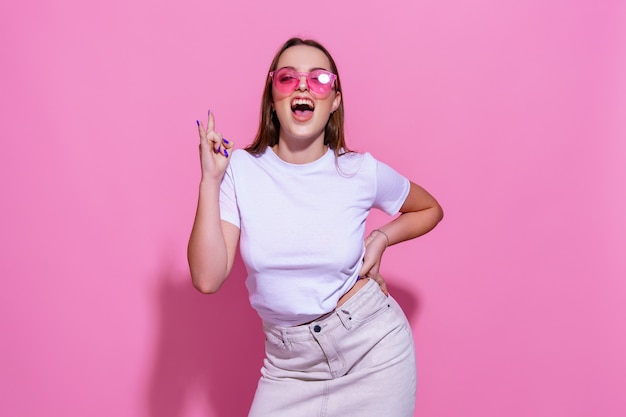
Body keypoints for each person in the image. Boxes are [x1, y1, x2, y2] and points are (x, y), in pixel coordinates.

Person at [188, 37, 443, 417]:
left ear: (335, 100)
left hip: (372, 351)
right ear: (272, 98)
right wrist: (210, 181)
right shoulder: (239, 170)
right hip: (287, 368)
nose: (304, 86)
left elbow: (429, 209)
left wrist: (381, 238)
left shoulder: (359, 170)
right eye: (288, 78)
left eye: (319, 78)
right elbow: (207, 278)